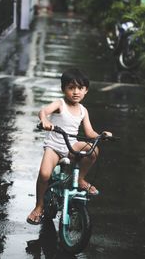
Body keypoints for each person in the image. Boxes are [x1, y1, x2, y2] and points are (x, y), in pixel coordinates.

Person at [27, 68, 112, 225]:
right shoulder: (60, 104)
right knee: (45, 174)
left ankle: (80, 179)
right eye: (71, 88)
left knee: (93, 149)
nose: (75, 92)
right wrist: (45, 120)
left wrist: (101, 135)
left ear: (86, 90)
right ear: (63, 89)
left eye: (80, 88)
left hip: (71, 145)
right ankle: (39, 206)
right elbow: (44, 111)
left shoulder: (83, 111)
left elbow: (89, 132)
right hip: (54, 147)